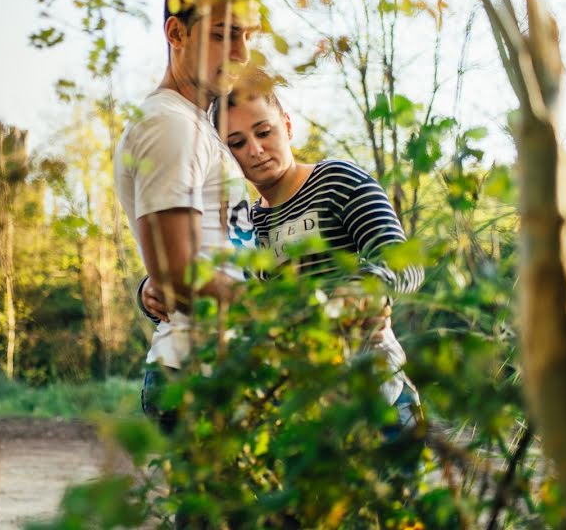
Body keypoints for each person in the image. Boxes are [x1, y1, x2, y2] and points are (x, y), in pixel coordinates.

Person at [141, 71, 424, 439]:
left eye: (264, 132)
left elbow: (403, 262)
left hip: (380, 398)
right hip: (304, 417)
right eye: (237, 143)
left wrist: (361, 292)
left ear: (286, 125)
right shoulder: (241, 223)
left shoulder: (338, 180)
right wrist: (150, 288)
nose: (255, 150)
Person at [112, 0, 262, 438]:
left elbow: (190, 260)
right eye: (223, 34)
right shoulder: (169, 125)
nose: (240, 52)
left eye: (248, 35)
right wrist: (293, 312)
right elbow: (178, 279)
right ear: (176, 33)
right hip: (199, 374)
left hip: (222, 366)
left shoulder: (198, 124)